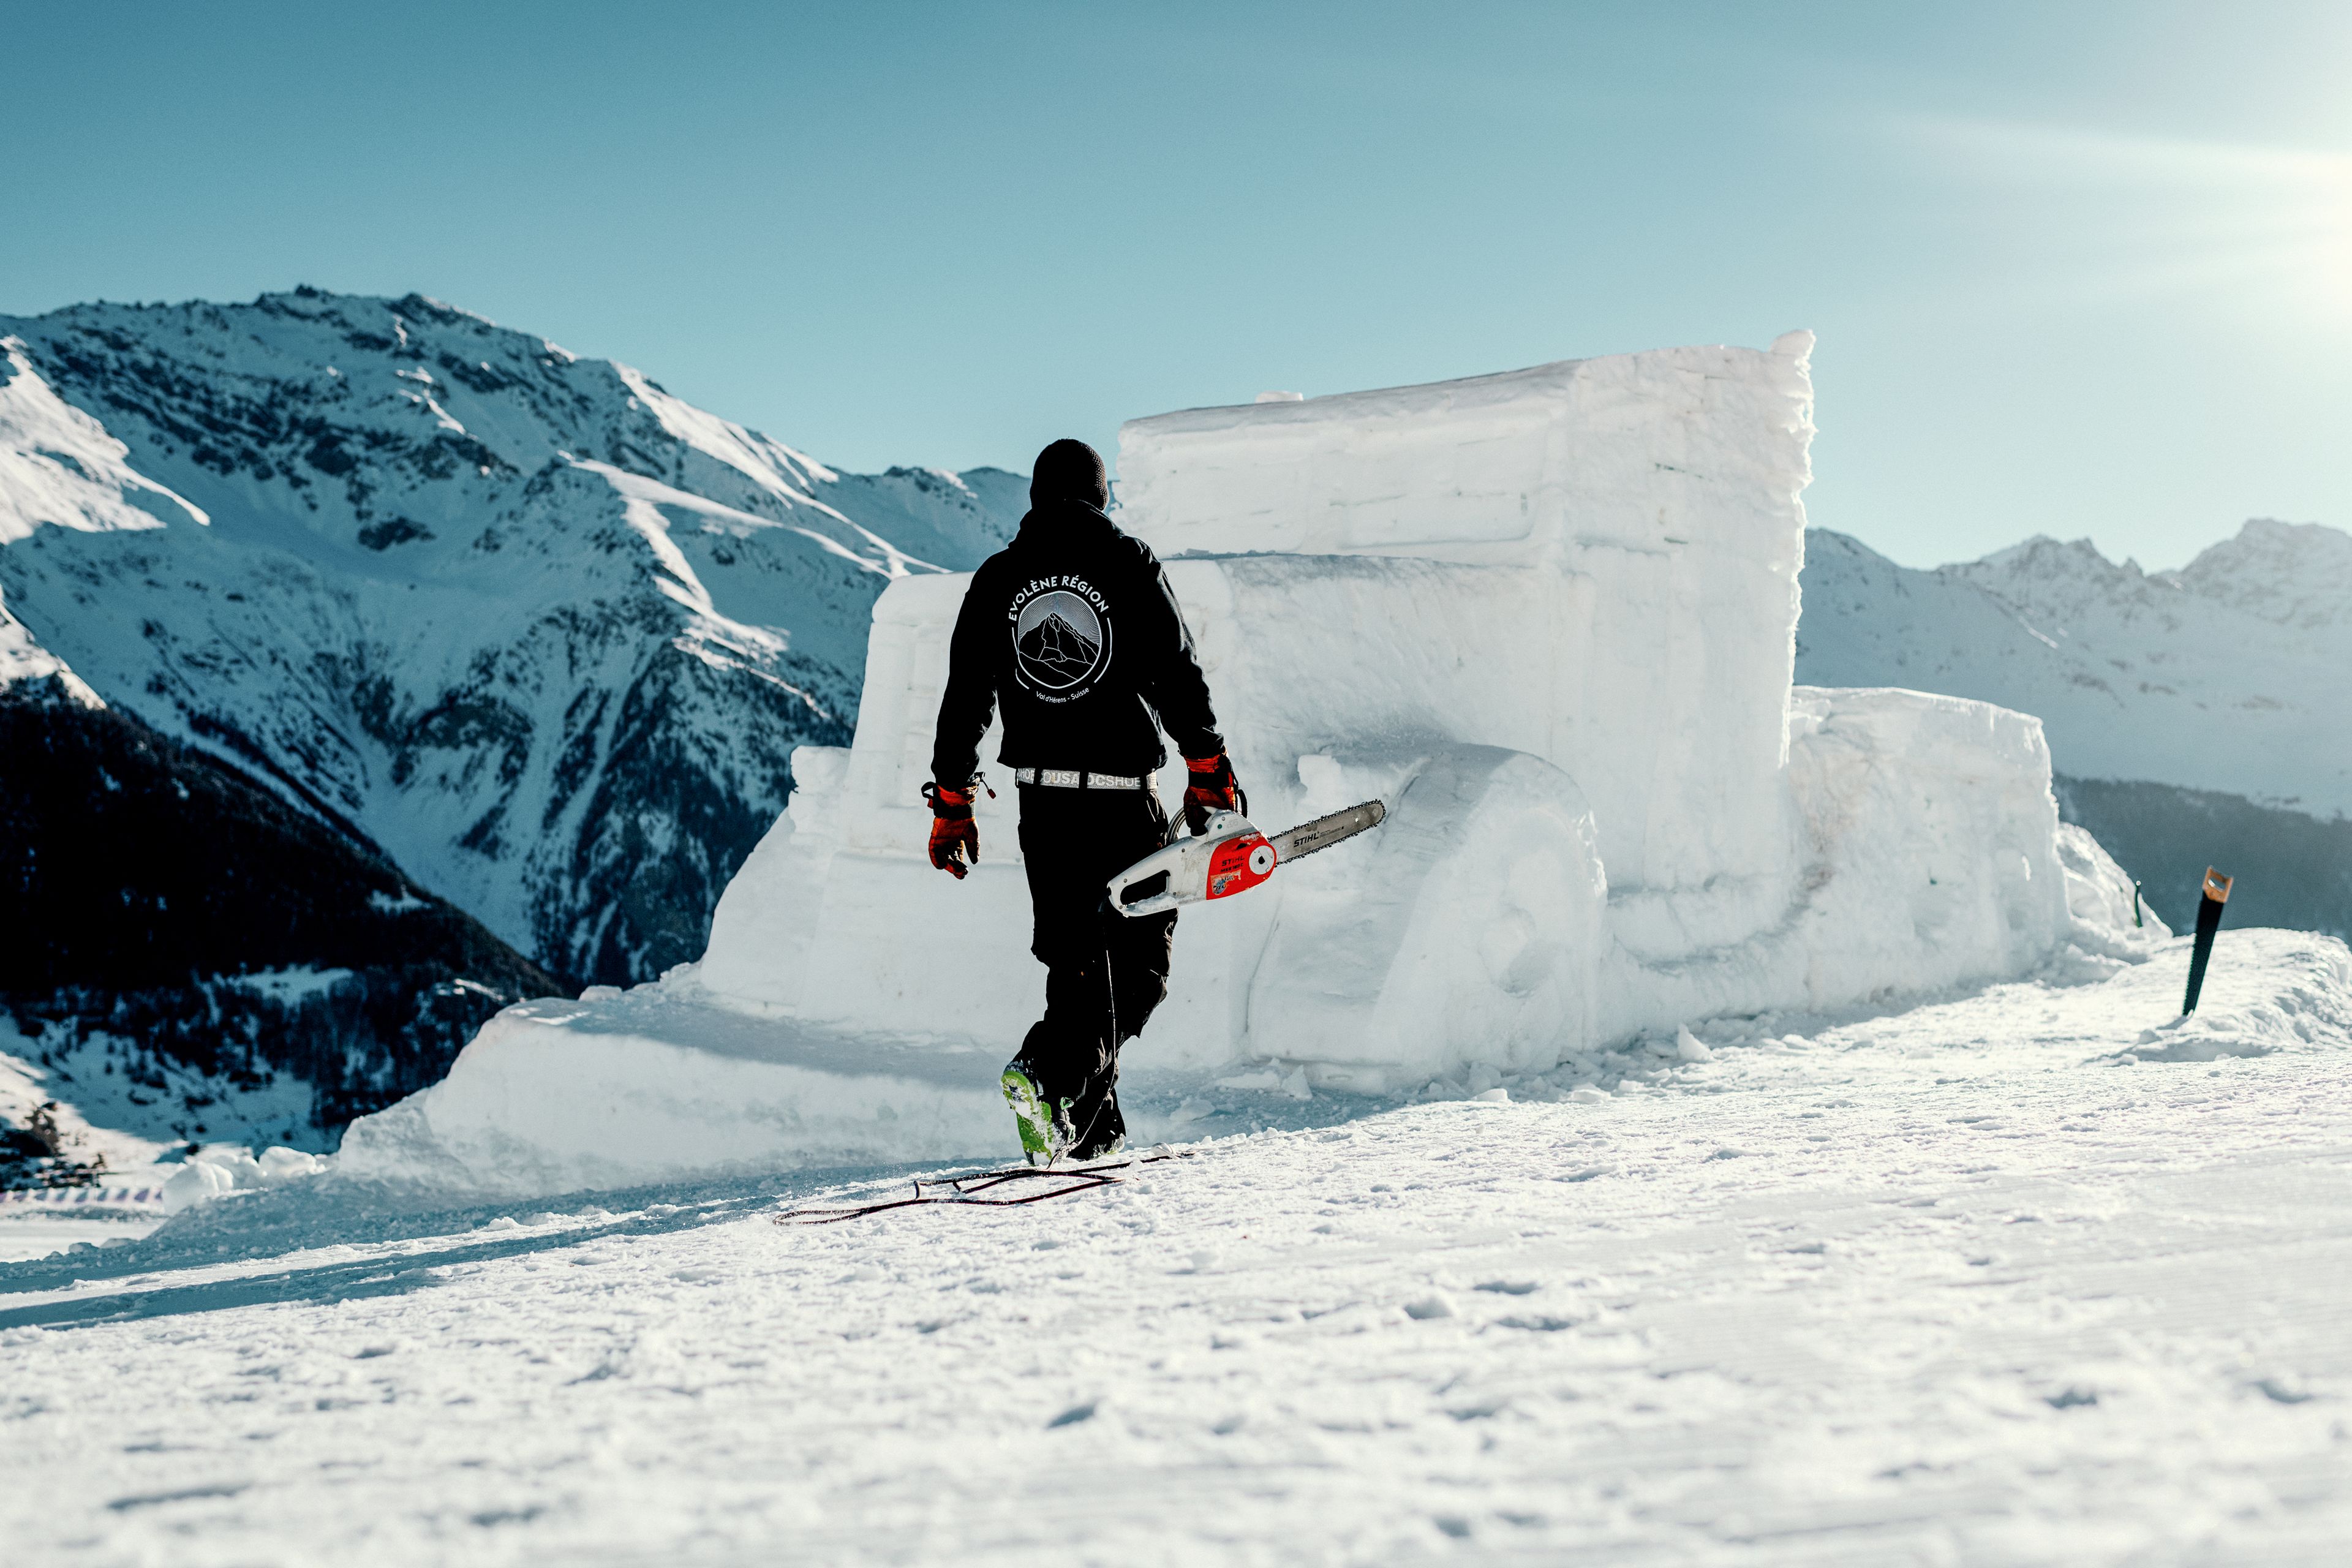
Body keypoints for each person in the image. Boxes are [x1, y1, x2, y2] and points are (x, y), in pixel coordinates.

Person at [924, 439, 1243, 1163]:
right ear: (1101, 497)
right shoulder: (1127, 563)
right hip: (1123, 806)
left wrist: (952, 803)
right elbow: (1177, 675)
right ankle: (1049, 1077)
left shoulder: (999, 579)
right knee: (1140, 973)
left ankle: (1094, 1142)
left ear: (1036, 500)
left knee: (1078, 976)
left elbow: (965, 701)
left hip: (1042, 811)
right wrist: (1209, 767)